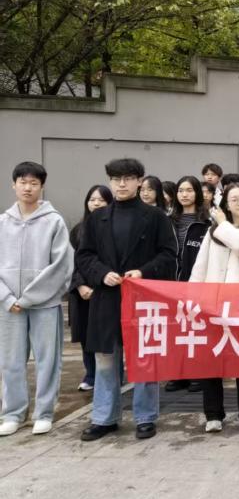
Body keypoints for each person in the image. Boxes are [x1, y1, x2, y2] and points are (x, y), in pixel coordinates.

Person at [76, 158, 176, 441]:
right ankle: (104, 418)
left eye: (128, 178)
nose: (122, 184)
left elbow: (169, 254)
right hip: (107, 298)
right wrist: (101, 273)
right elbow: (84, 255)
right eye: (116, 179)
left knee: (144, 358)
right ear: (110, 181)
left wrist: (143, 271)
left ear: (139, 181)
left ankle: (145, 417)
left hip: (142, 297)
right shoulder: (97, 218)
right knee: (106, 359)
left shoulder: (155, 217)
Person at [0, 162, 73, 437]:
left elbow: (61, 266)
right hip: (8, 306)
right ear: (14, 185)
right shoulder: (2, 222)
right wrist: (7, 298)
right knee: (10, 361)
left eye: (33, 183)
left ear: (42, 186)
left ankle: (44, 412)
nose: (27, 187)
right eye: (23, 182)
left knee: (47, 360)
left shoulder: (54, 221)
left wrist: (29, 298)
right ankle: (13, 413)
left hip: (44, 304)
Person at [189, 182, 239, 433]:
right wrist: (193, 298)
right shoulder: (213, 233)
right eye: (234, 199)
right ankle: (213, 414)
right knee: (211, 360)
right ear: (226, 204)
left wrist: (222, 223)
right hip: (213, 305)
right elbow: (200, 267)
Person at [164, 176, 211, 393]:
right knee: (175, 330)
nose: (184, 194)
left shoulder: (208, 222)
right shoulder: (167, 221)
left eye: (189, 190)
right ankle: (178, 374)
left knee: (197, 329)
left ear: (197, 194)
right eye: (181, 190)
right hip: (172, 284)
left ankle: (199, 374)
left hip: (198, 284)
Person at [68, 185, 113, 392]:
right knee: (85, 334)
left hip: (105, 289)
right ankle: (91, 374)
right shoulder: (78, 230)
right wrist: (80, 285)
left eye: (101, 200)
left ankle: (112, 375)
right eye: (92, 199)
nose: (96, 203)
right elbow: (72, 262)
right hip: (82, 292)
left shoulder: (113, 229)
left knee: (106, 335)